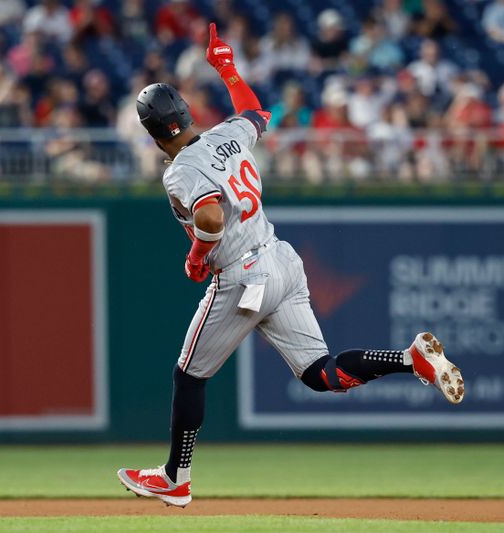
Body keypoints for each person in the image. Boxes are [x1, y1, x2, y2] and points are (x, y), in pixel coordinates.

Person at [116, 22, 465, 509]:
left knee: (188, 375)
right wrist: (227, 67)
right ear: (185, 112)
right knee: (320, 374)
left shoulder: (179, 170)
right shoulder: (228, 136)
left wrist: (197, 255)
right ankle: (411, 360)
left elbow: (211, 213)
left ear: (153, 135)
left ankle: (176, 476)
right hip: (281, 259)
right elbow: (258, 111)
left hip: (240, 274)